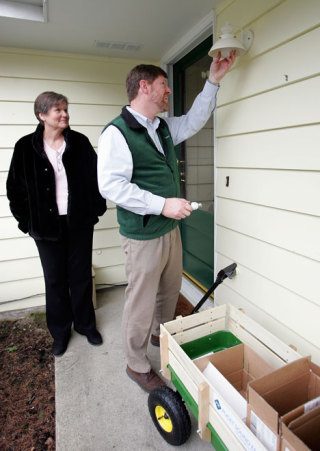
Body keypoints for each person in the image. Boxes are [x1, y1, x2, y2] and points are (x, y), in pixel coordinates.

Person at [97, 51, 235, 391]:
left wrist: (213, 81)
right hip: (143, 236)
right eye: (164, 86)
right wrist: (163, 205)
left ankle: (162, 336)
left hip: (170, 230)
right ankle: (136, 362)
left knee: (169, 292)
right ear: (144, 87)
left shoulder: (162, 127)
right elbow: (112, 186)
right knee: (141, 302)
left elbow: (193, 121)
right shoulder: (117, 133)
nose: (168, 92)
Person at [7, 91, 107, 357]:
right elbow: (15, 190)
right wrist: (27, 224)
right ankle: (60, 333)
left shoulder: (80, 143)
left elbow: (96, 179)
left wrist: (95, 212)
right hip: (45, 227)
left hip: (79, 223)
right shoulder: (25, 148)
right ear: (42, 115)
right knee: (54, 280)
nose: (64, 114)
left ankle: (86, 325)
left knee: (81, 277)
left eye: (65, 109)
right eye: (57, 110)